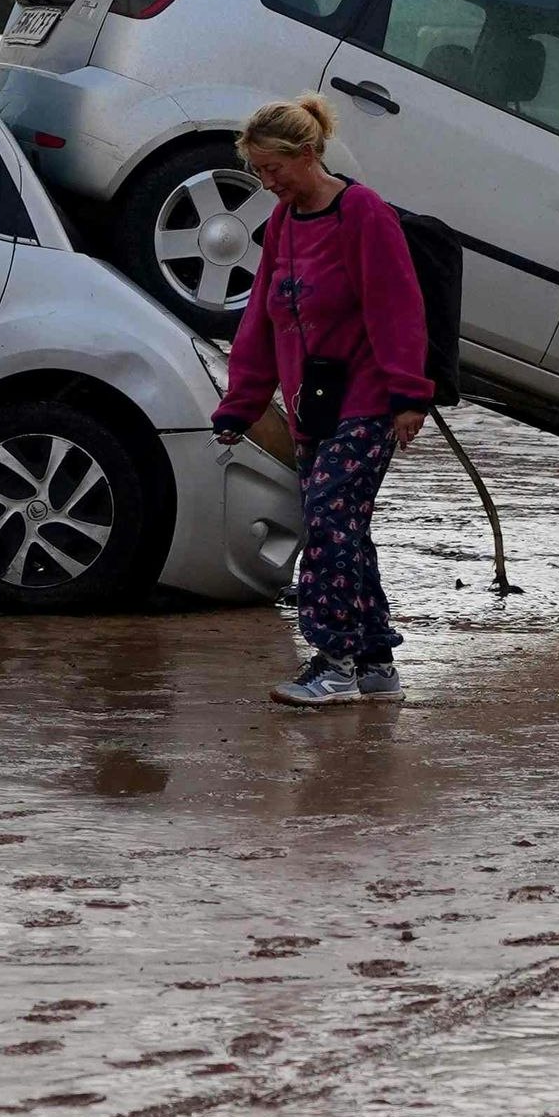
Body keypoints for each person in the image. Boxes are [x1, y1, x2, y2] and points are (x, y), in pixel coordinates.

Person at [209, 95, 434, 709]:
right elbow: (262, 314)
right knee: (348, 532)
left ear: (307, 154)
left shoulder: (362, 212)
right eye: (257, 171)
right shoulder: (284, 221)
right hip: (313, 406)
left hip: (366, 399)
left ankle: (332, 659)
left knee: (329, 522)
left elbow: (397, 308)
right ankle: (375, 664)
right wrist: (242, 402)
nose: (266, 182)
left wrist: (408, 395)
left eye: (273, 169)